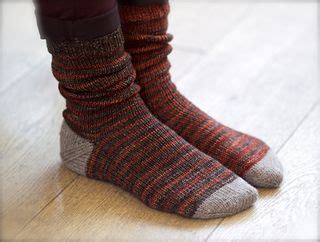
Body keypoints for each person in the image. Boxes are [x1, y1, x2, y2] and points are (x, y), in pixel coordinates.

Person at [33, 0, 283, 219]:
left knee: (148, 69)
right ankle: (100, 119)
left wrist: (151, 76)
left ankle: (151, 92)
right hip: (101, 114)